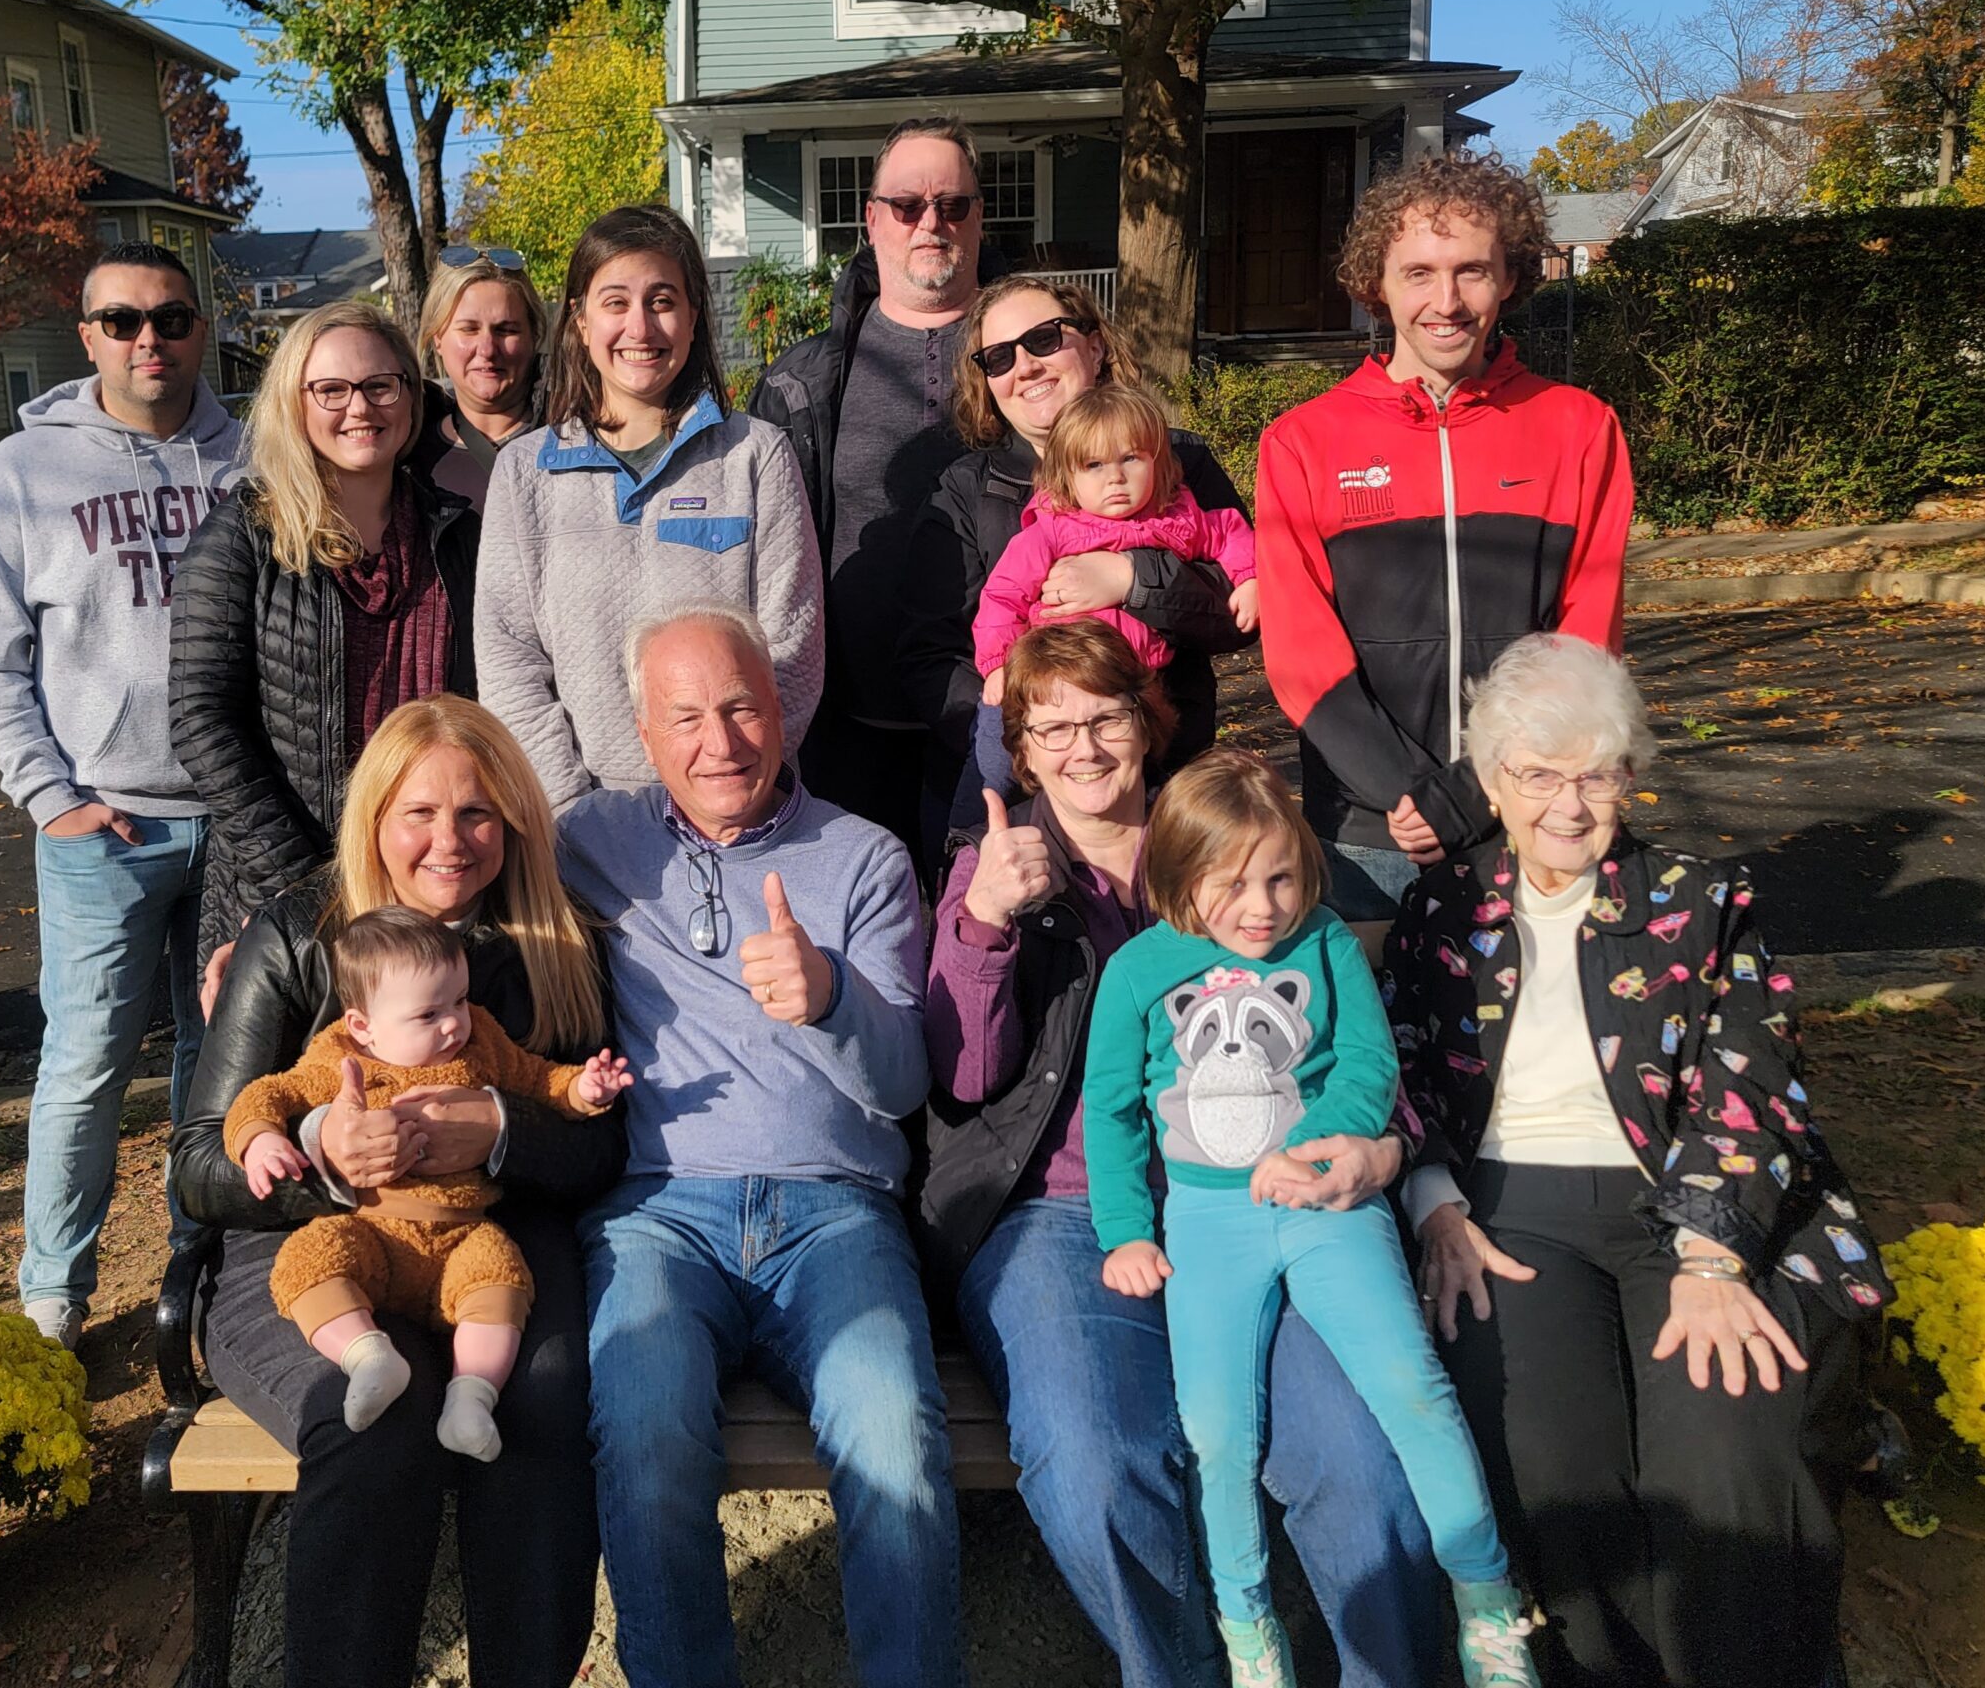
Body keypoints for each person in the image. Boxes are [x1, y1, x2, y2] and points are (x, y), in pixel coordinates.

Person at [916, 620, 1450, 1688]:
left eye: (1102, 714)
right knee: (1096, 1466)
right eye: (1047, 724)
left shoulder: (1234, 847)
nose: (1079, 744)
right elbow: (967, 1077)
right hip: (1061, 1209)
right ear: (1017, 746)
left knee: (1359, 1452)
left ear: (1144, 720)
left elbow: (1358, 1039)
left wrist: (1397, 1160)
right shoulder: (997, 864)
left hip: (1261, 1192)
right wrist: (984, 925)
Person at [1388, 633, 1888, 1688]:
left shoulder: (1696, 898)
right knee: (1550, 1454)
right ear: (1488, 779)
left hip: (1686, 1206)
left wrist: (1712, 1261)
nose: (1566, 804)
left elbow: (1749, 1082)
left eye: (1595, 773)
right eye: (1536, 773)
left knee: (1722, 1436)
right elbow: (1397, 1079)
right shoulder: (1442, 906)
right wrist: (1434, 1206)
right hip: (1501, 1213)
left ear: (1628, 774)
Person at [171, 695, 621, 1688]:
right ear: (374, 816)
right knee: (375, 1418)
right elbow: (198, 1161)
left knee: (545, 1395)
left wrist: (496, 1129)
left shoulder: (549, 938)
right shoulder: (295, 934)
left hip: (481, 1235)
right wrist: (316, 1142)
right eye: (420, 812)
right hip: (311, 1247)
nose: (450, 841)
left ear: (510, 820)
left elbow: (600, 1149)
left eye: (476, 813)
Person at [559, 602, 960, 1688]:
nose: (719, 742)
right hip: (658, 1216)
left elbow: (901, 1083)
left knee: (896, 1445)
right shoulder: (590, 842)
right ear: (643, 734)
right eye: (684, 716)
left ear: (781, 710)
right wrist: (276, 944)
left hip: (834, 1212)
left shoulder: (861, 855)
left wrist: (826, 994)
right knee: (644, 1445)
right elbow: (429, 877)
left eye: (741, 706)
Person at [1082, 749, 1538, 1688]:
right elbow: (1112, 1109)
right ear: (1179, 879)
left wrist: (1324, 1145)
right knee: (1218, 1430)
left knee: (1412, 1387)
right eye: (1233, 884)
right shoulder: (1138, 971)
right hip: (1210, 1224)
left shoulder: (1325, 943)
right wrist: (1125, 1230)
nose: (1264, 905)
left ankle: (1486, 1598)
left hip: (1333, 1204)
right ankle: (1249, 1627)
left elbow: (1371, 1065)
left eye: (1282, 874)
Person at [0, 239, 244, 1349]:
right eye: (121, 320)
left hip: (233, 821)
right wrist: (52, 796)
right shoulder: (23, 476)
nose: (147, 340)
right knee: (83, 1064)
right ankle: (53, 1294)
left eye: (170, 318)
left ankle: (200, 1264)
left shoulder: (252, 462)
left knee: (213, 1059)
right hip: (100, 827)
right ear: (86, 336)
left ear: (200, 328)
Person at [1255, 150, 1633, 920]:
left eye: (1472, 270)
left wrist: (1486, 784)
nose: (1447, 299)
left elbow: (1586, 637)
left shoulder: (1579, 428)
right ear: (1376, 284)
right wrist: (1407, 790)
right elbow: (1300, 654)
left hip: (1531, 815)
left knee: (1536, 1041)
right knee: (1374, 1043)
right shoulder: (1302, 442)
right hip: (1368, 830)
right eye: (1419, 271)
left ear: (1511, 279)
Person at [225, 907, 630, 1459]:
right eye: (428, 1014)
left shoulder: (481, 1042)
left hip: (462, 1230)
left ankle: (471, 1399)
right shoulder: (340, 1056)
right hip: (373, 1229)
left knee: (501, 1281)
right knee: (309, 1259)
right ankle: (367, 1356)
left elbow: (538, 1078)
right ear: (362, 1025)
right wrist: (263, 1140)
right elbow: (264, 1095)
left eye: (459, 1001)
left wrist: (585, 1089)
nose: (453, 1023)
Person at [476, 204, 822, 812]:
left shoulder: (755, 455)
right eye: (615, 302)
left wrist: (728, 786)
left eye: (662, 300)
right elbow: (509, 662)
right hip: (585, 822)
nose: (640, 327)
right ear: (580, 321)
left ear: (693, 317)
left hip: (737, 809)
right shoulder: (525, 472)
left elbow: (793, 650)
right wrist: (571, 812)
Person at [169, 299, 478, 965]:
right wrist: (307, 888)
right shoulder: (242, 538)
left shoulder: (456, 535)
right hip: (284, 888)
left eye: (378, 385)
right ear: (296, 403)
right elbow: (202, 720)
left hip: (433, 873)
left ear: (409, 393)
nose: (359, 408)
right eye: (331, 390)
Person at [897, 274, 1251, 845]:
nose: (1026, 366)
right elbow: (929, 656)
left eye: (1043, 339)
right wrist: (1042, 737)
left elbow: (1241, 609)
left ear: (1095, 343)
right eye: (999, 357)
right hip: (1022, 794)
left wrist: (1134, 578)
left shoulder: (1175, 460)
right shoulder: (963, 490)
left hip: (1166, 779)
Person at [750, 114, 1000, 853]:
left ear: (979, 216)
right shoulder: (802, 381)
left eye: (953, 205)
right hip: (843, 743)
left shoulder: (1039, 363)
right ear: (872, 219)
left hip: (1008, 734)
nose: (932, 223)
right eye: (908, 205)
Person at [964, 380, 1256, 816]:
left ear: (1159, 463)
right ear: (1068, 476)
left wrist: (1250, 579)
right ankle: (983, 829)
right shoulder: (1052, 530)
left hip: (1135, 690)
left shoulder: (1178, 519)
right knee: (997, 762)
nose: (1115, 477)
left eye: (1131, 458)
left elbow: (1231, 532)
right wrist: (996, 664)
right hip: (1052, 681)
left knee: (1143, 789)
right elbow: (1003, 596)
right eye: (1094, 465)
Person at [408, 245, 547, 510]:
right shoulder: (406, 456)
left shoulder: (577, 441)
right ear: (438, 338)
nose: (487, 349)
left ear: (534, 337)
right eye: (469, 329)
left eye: (506, 330)